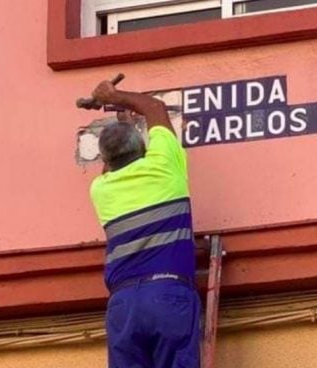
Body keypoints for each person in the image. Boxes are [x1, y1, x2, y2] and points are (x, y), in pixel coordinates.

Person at [89, 79, 200, 368]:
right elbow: (155, 107)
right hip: (167, 295)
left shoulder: (101, 190)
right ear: (143, 147)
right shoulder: (165, 167)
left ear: (106, 161)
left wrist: (120, 129)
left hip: (123, 305)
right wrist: (114, 96)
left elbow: (111, 164)